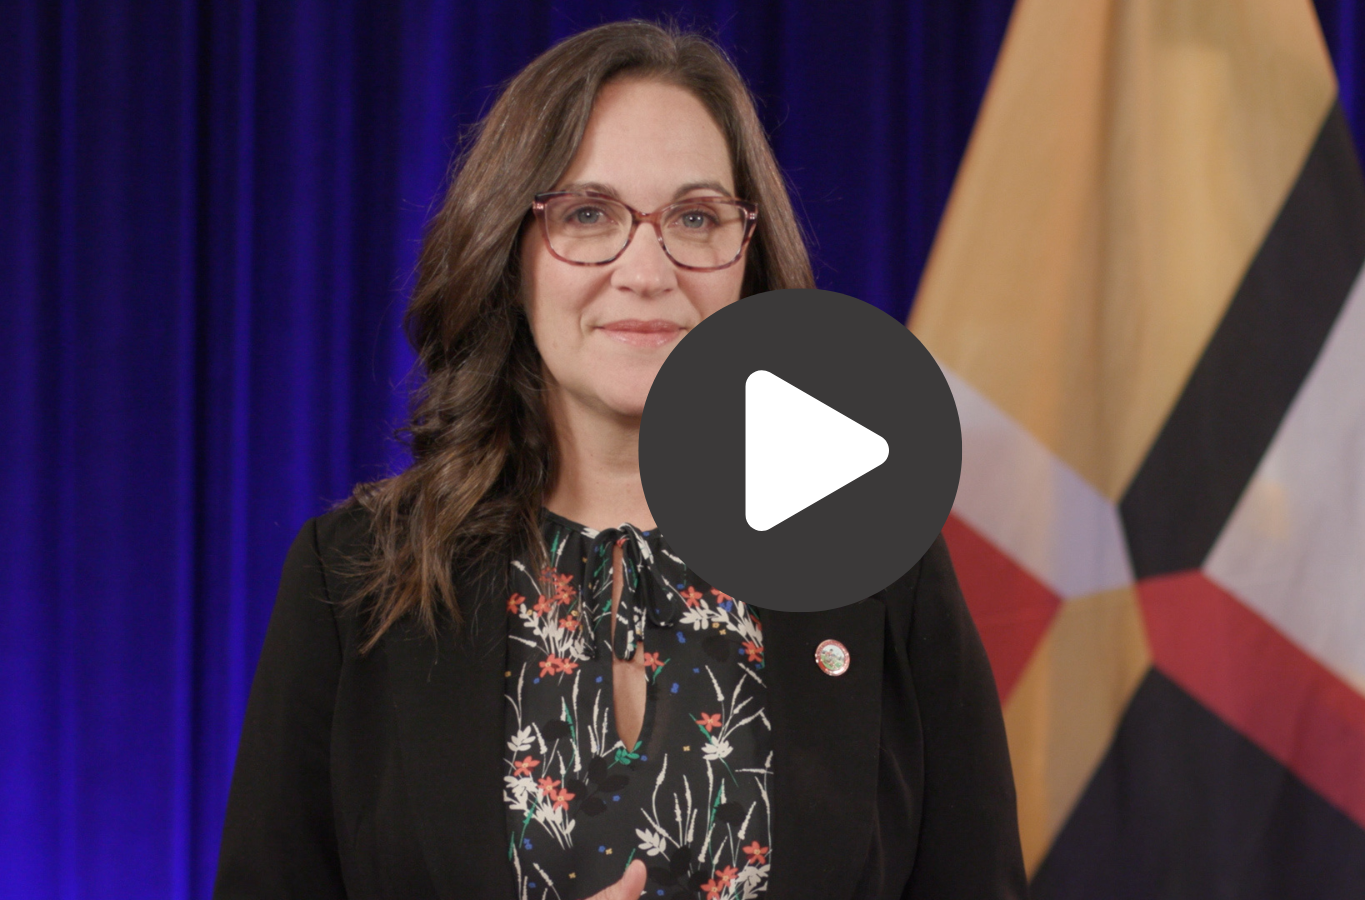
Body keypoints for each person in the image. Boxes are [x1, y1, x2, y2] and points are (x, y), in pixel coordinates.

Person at [214, 19, 1025, 900]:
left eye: (696, 216)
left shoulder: (879, 562)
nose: (647, 269)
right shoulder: (356, 580)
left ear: (745, 259)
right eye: (589, 215)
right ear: (509, 249)